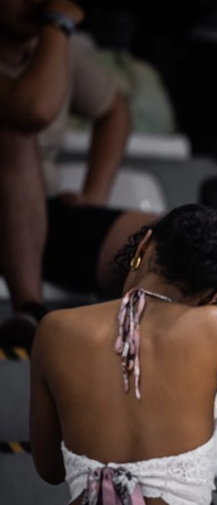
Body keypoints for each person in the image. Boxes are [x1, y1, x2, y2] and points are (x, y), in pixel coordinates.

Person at [30, 203, 217, 504]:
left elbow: (50, 469)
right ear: (213, 290)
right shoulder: (215, 329)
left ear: (143, 245)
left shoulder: (54, 330)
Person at [0, 0, 156, 345]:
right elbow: (30, 110)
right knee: (14, 135)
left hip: (36, 215)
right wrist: (57, 24)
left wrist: (93, 198)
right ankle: (30, 310)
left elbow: (114, 112)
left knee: (169, 243)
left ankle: (140, 359)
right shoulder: (56, 35)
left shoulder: (58, 46)